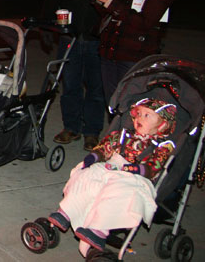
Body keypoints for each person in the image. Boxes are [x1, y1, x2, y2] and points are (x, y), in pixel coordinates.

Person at [46, 97, 176, 254]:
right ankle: (67, 211)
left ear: (162, 124)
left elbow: (156, 165)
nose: (139, 118)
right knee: (87, 174)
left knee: (118, 191)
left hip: (136, 176)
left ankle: (98, 229)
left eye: (147, 115)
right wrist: (94, 156)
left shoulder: (162, 146)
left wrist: (138, 169)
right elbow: (106, 146)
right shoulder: (124, 135)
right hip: (114, 166)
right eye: (138, 114)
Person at [42, 0, 126, 152]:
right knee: (70, 84)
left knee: (97, 88)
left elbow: (121, 1)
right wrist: (48, 25)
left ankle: (92, 131)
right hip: (70, 35)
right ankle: (71, 127)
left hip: (98, 38)